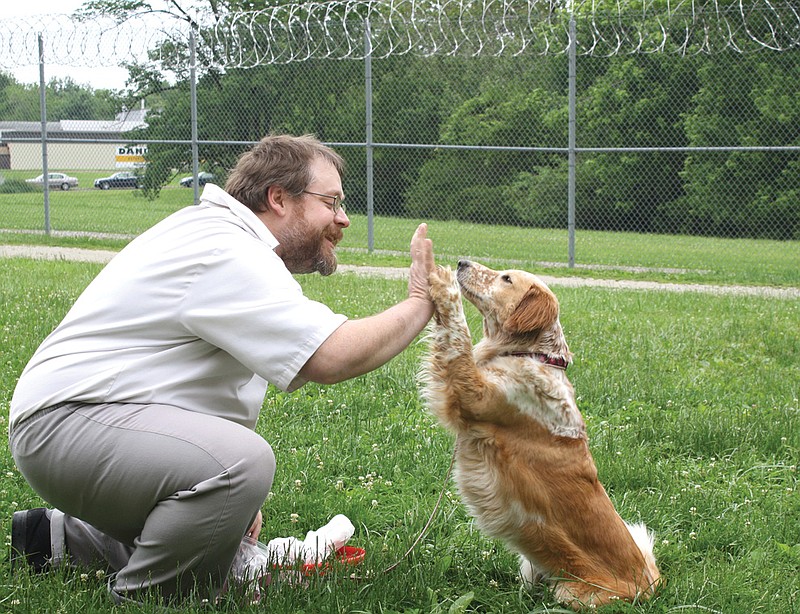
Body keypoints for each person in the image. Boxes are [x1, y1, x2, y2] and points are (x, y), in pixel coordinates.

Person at [8, 134, 435, 604]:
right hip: (70, 423)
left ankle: (58, 539)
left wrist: (229, 505)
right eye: (330, 202)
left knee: (227, 485)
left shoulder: (224, 239)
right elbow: (332, 355)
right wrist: (419, 304)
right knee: (241, 463)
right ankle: (147, 599)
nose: (343, 218)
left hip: (77, 422)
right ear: (278, 197)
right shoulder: (228, 249)